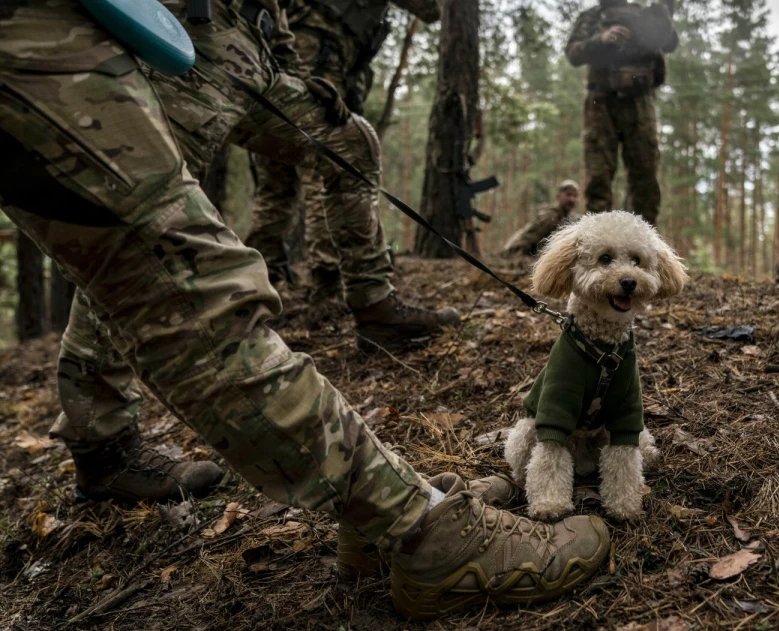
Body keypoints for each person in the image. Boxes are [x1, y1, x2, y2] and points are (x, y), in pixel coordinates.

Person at [0, 0, 607, 618]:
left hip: (245, 50)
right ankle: (414, 523)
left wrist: (292, 65)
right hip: (128, 33)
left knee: (343, 138)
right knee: (164, 263)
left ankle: (373, 305)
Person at [244, 0, 440, 305]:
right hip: (316, 50)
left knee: (277, 182)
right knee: (322, 165)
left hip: (288, 49)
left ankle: (263, 279)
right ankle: (327, 280)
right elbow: (431, 9)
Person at [566, 0, 678, 226]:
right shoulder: (592, 17)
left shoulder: (643, 14)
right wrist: (601, 39)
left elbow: (670, 42)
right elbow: (573, 53)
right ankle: (598, 244)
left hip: (639, 102)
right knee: (598, 175)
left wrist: (662, 13)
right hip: (600, 102)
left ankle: (644, 245)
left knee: (645, 174)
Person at [501, 180, 580, 258]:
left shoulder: (573, 218)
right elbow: (528, 237)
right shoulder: (549, 216)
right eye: (568, 195)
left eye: (575, 196)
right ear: (558, 196)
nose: (571, 199)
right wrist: (509, 253)